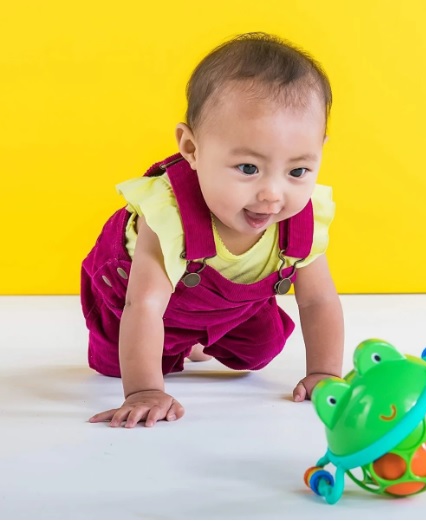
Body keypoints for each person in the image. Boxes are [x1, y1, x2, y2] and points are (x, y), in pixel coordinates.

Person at [81, 32, 344, 428]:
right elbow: (144, 305)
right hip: (134, 300)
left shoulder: (302, 217)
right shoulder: (169, 214)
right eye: (248, 168)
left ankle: (198, 342)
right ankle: (175, 348)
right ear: (191, 148)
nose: (272, 195)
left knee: (261, 350)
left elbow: (317, 300)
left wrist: (324, 372)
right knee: (112, 363)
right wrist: (144, 391)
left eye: (298, 171)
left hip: (230, 309)